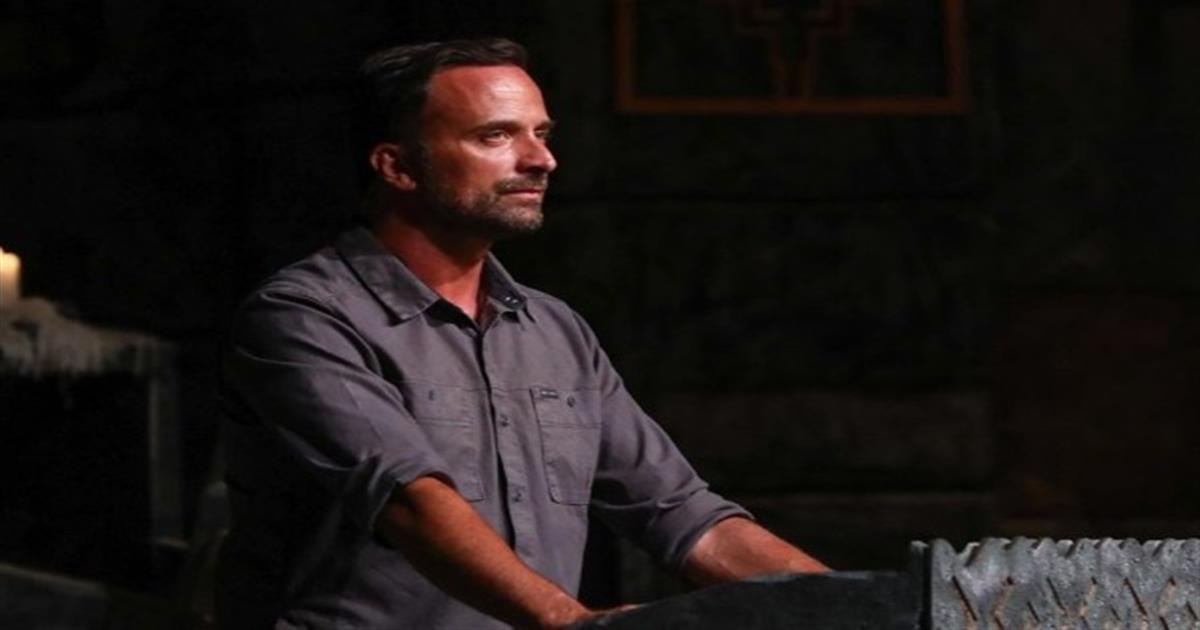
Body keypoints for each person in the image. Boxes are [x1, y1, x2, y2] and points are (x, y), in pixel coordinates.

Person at [217, 38, 828, 630]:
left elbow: (682, 514)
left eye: (541, 134)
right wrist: (568, 620)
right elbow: (410, 500)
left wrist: (848, 605)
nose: (541, 159)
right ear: (397, 166)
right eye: (496, 136)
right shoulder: (303, 316)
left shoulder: (553, 331)